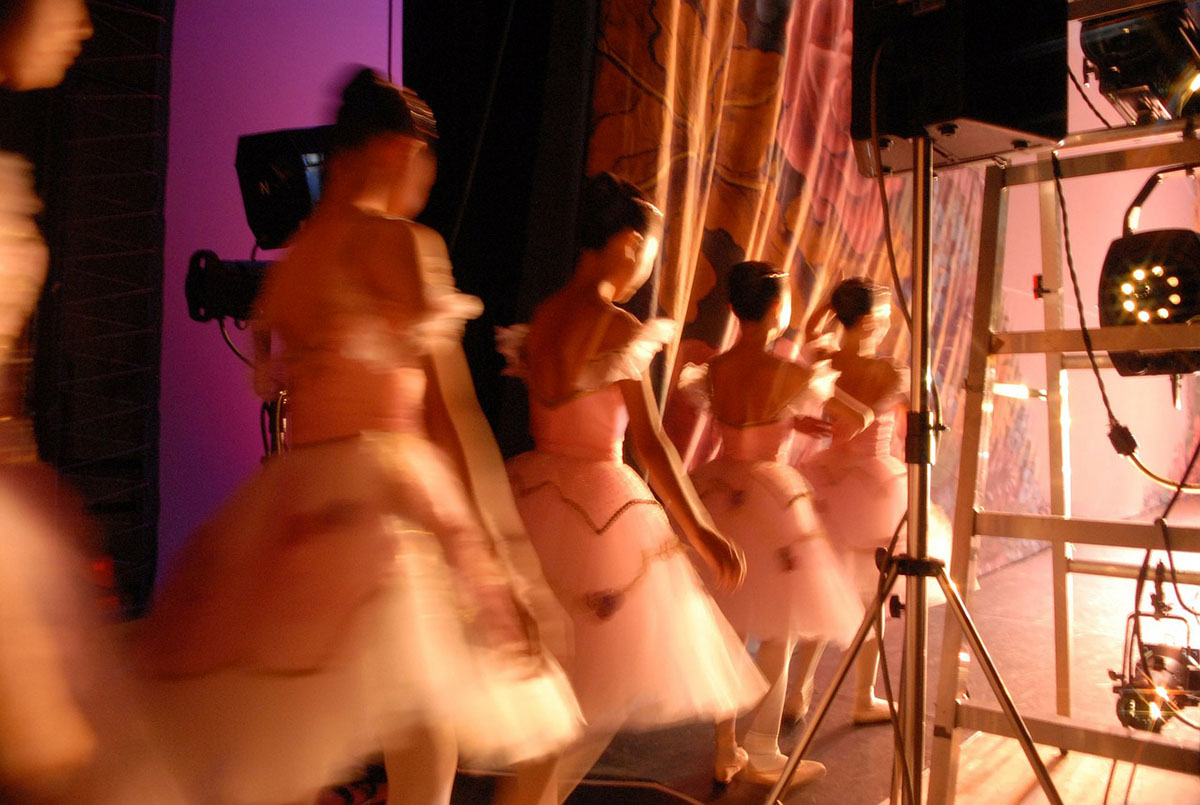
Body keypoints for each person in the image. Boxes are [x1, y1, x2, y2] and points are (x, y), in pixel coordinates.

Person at [136, 67, 579, 805]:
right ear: (398, 151)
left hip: (298, 511)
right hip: (386, 506)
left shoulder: (297, 262)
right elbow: (452, 413)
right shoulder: (399, 244)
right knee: (473, 723)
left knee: (322, 725)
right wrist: (507, 562)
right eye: (426, 160)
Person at [499, 172, 765, 797]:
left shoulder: (542, 317)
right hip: (601, 512)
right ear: (625, 242)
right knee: (586, 699)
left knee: (558, 691)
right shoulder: (617, 327)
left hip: (533, 500)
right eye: (651, 247)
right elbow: (651, 444)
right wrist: (701, 530)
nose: (650, 262)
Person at [683, 261, 864, 785]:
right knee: (781, 629)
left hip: (719, 494)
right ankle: (763, 750)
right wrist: (814, 372)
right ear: (776, 306)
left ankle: (725, 748)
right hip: (771, 501)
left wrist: (788, 416)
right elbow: (860, 417)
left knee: (731, 627)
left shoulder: (714, 369)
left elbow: (740, 422)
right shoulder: (789, 370)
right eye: (787, 297)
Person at [796, 277, 908, 725]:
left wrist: (833, 305)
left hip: (829, 481)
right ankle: (864, 696)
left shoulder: (827, 361)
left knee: (827, 592)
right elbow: (874, 415)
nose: (886, 322)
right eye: (880, 314)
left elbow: (809, 332)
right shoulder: (890, 372)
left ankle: (798, 692)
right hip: (873, 490)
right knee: (871, 600)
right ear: (867, 322)